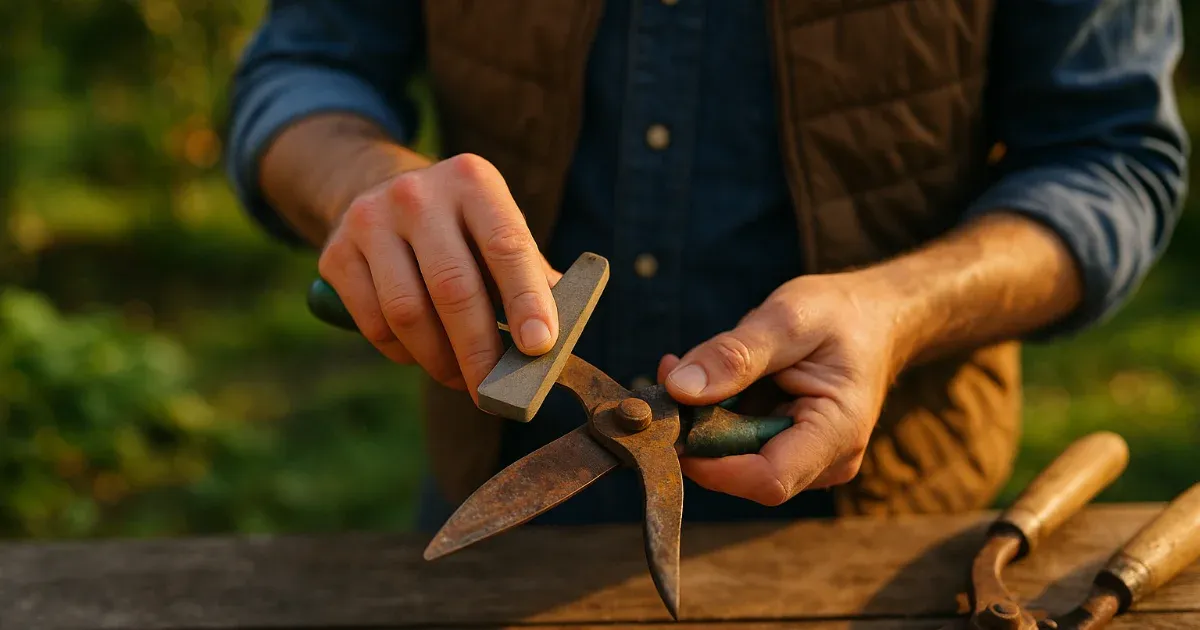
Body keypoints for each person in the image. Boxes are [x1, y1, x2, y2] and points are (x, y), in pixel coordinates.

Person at [225, 1, 1188, 532]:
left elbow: (1111, 159)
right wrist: (367, 181)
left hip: (880, 521)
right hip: (499, 490)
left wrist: (897, 308)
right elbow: (303, 67)